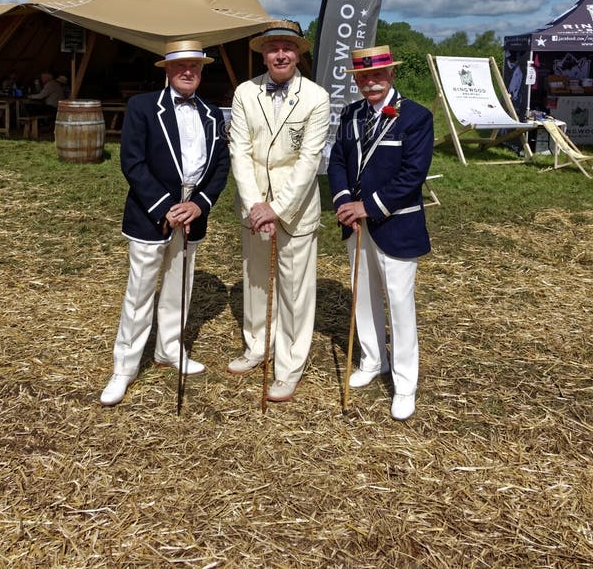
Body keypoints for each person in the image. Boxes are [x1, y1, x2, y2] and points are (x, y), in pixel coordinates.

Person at [100, 39, 230, 406]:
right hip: (150, 213)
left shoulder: (211, 112)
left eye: (195, 67)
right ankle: (123, 368)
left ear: (202, 72)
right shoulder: (142, 107)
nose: (188, 72)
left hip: (192, 215)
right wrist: (165, 207)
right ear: (168, 71)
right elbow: (133, 162)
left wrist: (199, 205)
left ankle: (169, 349)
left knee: (180, 287)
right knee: (140, 293)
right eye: (180, 67)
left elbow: (221, 165)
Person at [327, 45, 433, 421]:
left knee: (400, 305)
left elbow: (412, 175)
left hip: (396, 222)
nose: (370, 82)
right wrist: (343, 201)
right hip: (354, 223)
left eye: (377, 75)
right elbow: (338, 159)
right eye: (363, 76)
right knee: (363, 295)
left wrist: (367, 206)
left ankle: (405, 385)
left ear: (391, 75)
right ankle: (374, 359)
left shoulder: (416, 117)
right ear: (356, 80)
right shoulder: (351, 113)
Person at [228, 22, 329, 403]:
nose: (281, 55)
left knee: (294, 289)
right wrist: (256, 204)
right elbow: (238, 149)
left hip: (296, 208)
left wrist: (277, 207)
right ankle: (257, 346)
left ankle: (288, 366)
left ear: (298, 53)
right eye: (273, 49)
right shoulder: (244, 92)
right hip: (253, 204)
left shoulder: (316, 97)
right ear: (263, 53)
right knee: (255, 279)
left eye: (287, 48)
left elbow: (309, 160)